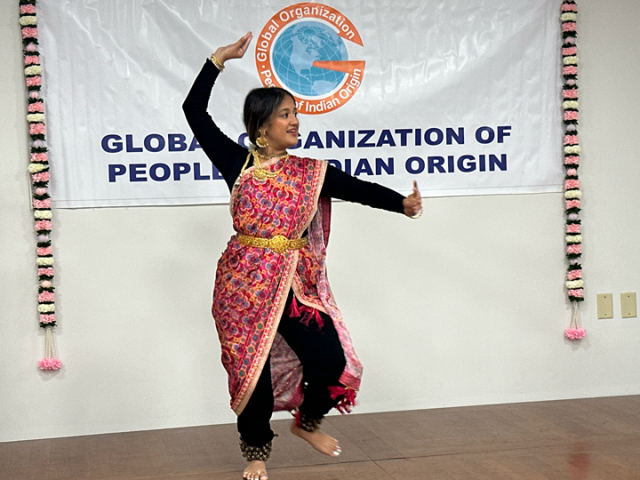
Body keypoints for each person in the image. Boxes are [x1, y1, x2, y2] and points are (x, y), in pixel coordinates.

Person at [182, 32, 423, 480]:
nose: (295, 121)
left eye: (295, 113)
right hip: (242, 286)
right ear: (262, 127)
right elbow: (194, 112)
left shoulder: (309, 173)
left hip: (293, 285)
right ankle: (256, 453)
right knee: (253, 371)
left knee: (330, 361)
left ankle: (307, 422)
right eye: (285, 114)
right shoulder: (239, 165)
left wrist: (402, 204)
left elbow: (358, 188)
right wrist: (217, 60)